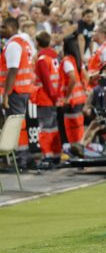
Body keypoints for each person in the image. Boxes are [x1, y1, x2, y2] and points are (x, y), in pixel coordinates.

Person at [0, 16, 35, 166]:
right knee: (18, 124)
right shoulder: (23, 43)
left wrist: (5, 95)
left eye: (4, 27)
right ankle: (20, 157)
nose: (1, 29)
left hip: (15, 91)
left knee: (14, 125)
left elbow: (12, 71)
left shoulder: (13, 45)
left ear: (13, 28)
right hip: (22, 90)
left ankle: (20, 159)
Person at [32, 31, 62, 166]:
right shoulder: (54, 58)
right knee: (54, 128)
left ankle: (47, 157)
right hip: (54, 98)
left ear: (37, 43)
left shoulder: (42, 60)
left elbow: (46, 82)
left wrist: (53, 98)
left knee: (45, 129)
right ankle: (56, 155)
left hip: (45, 99)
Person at [60, 35, 88, 157]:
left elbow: (72, 78)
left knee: (72, 129)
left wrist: (66, 97)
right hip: (80, 99)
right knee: (79, 128)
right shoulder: (78, 60)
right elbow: (86, 76)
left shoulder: (67, 61)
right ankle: (80, 153)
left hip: (71, 101)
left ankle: (76, 154)